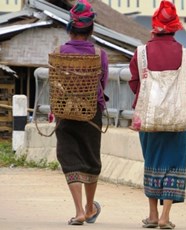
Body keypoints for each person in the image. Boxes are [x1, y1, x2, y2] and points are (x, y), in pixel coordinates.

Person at [129, 1, 186, 229]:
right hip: (176, 119)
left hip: (149, 118)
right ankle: (166, 216)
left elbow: (135, 84)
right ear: (175, 27)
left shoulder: (141, 53)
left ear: (154, 26)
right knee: (173, 164)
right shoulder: (184, 53)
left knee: (152, 162)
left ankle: (152, 215)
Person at [53, 0, 109, 225]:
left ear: (70, 27)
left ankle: (78, 210)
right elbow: (102, 83)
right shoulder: (99, 54)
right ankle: (89, 207)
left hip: (65, 112)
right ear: (91, 28)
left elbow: (55, 84)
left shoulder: (59, 53)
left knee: (70, 158)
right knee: (90, 158)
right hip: (90, 113)